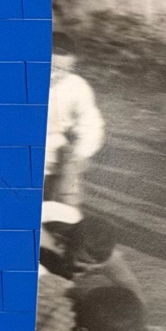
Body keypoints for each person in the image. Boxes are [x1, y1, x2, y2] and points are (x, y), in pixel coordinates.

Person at [44, 32, 106, 208]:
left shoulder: (76, 86)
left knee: (66, 211)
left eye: (66, 69)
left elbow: (91, 125)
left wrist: (80, 155)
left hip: (57, 155)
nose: (57, 75)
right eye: (53, 67)